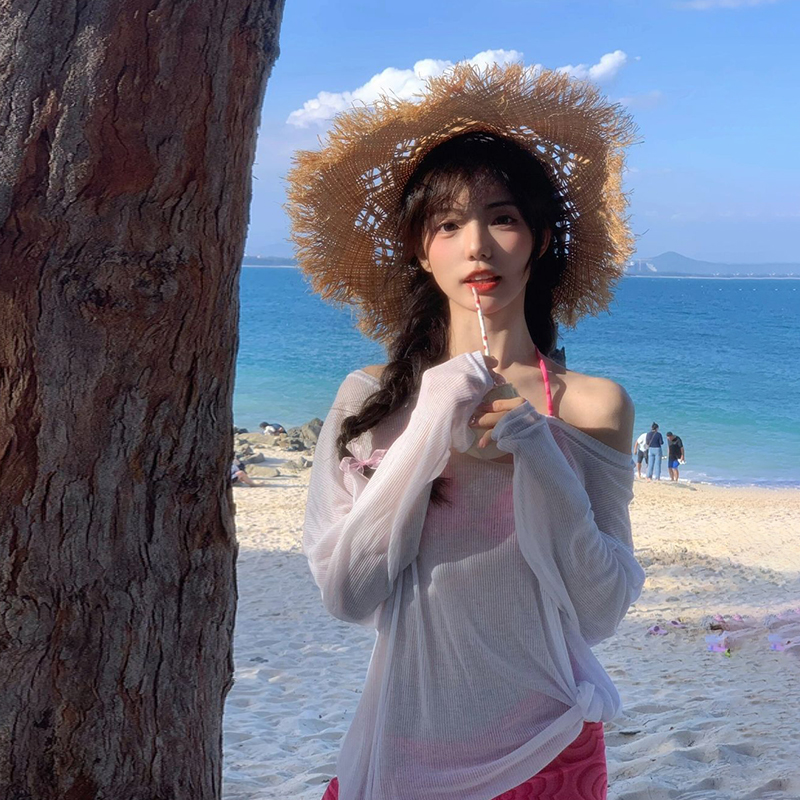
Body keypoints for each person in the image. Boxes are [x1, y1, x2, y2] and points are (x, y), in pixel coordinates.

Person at [288, 63, 644, 800]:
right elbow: (348, 593)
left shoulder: (594, 406)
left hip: (551, 745)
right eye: (448, 224)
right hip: (402, 749)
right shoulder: (370, 399)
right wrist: (427, 423)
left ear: (540, 239)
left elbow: (600, 610)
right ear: (421, 250)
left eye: (502, 218)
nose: (477, 244)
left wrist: (540, 451)